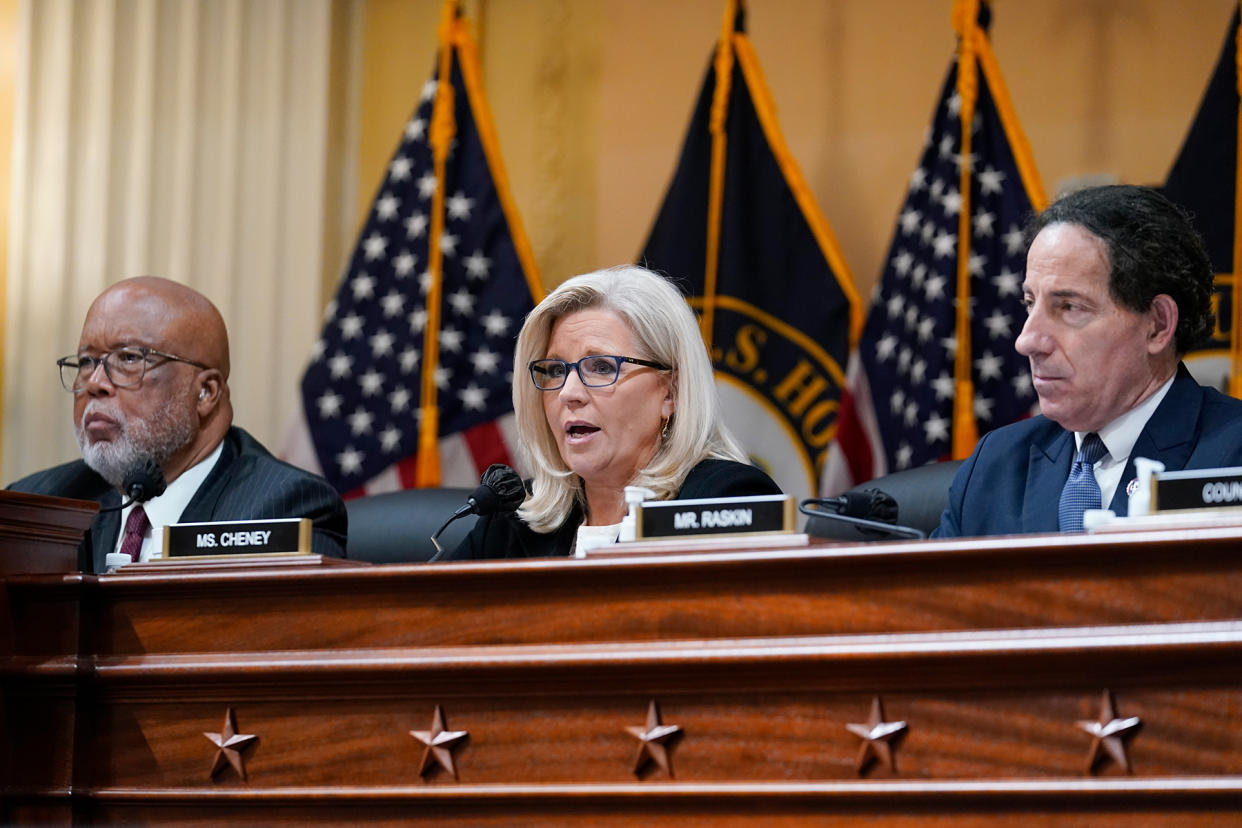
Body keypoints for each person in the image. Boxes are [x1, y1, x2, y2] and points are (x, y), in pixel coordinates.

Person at [935, 185, 1242, 538]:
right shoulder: (995, 466)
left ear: (1157, 324)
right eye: (1030, 303)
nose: (1027, 341)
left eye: (1069, 307)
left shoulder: (1233, 454)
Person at [8, 276, 347, 571]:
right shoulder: (36, 507)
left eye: (128, 358)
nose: (96, 382)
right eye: (86, 361)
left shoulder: (282, 509)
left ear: (205, 393)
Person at [447, 265, 781, 559]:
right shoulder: (515, 518)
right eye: (556, 370)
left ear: (671, 392)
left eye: (602, 367)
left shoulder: (724, 500)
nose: (568, 393)